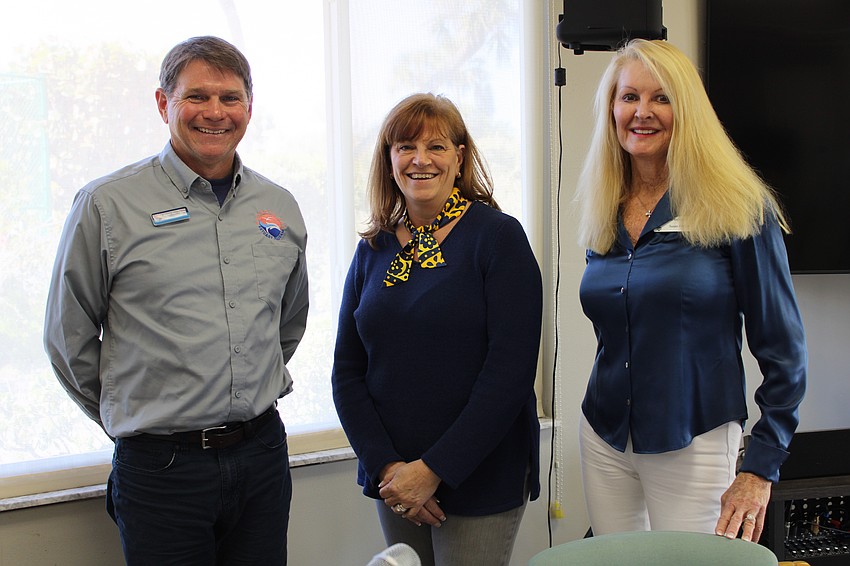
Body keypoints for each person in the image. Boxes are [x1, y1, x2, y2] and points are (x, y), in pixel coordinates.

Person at [43, 36, 308, 565]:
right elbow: (68, 337)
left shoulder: (278, 207)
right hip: (161, 470)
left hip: (262, 456)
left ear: (249, 109)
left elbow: (286, 324)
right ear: (164, 104)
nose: (215, 112)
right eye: (197, 96)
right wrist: (136, 412)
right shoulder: (107, 204)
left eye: (230, 98)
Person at [574, 38, 807, 544]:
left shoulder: (739, 208)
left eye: (662, 98)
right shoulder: (603, 206)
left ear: (688, 110)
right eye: (628, 97)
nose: (642, 112)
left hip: (694, 442)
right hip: (605, 437)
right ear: (611, 108)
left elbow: (784, 351)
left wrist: (760, 466)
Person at [331, 93, 543, 566]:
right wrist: (389, 468)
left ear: (460, 157)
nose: (420, 159)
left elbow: (508, 374)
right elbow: (347, 371)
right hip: (396, 479)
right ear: (389, 161)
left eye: (437, 146)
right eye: (405, 146)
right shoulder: (375, 249)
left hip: (479, 472)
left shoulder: (497, 239)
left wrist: (434, 470)